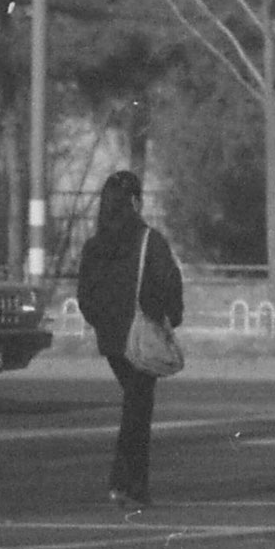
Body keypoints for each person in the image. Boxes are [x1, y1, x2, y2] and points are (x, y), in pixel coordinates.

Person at [75, 170, 184, 509]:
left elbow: (85, 297)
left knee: (134, 405)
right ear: (136, 201)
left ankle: (125, 483)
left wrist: (103, 324)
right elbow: (168, 284)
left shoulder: (95, 246)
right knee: (138, 410)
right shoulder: (149, 240)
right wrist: (168, 319)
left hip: (111, 340)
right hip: (142, 336)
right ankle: (129, 484)